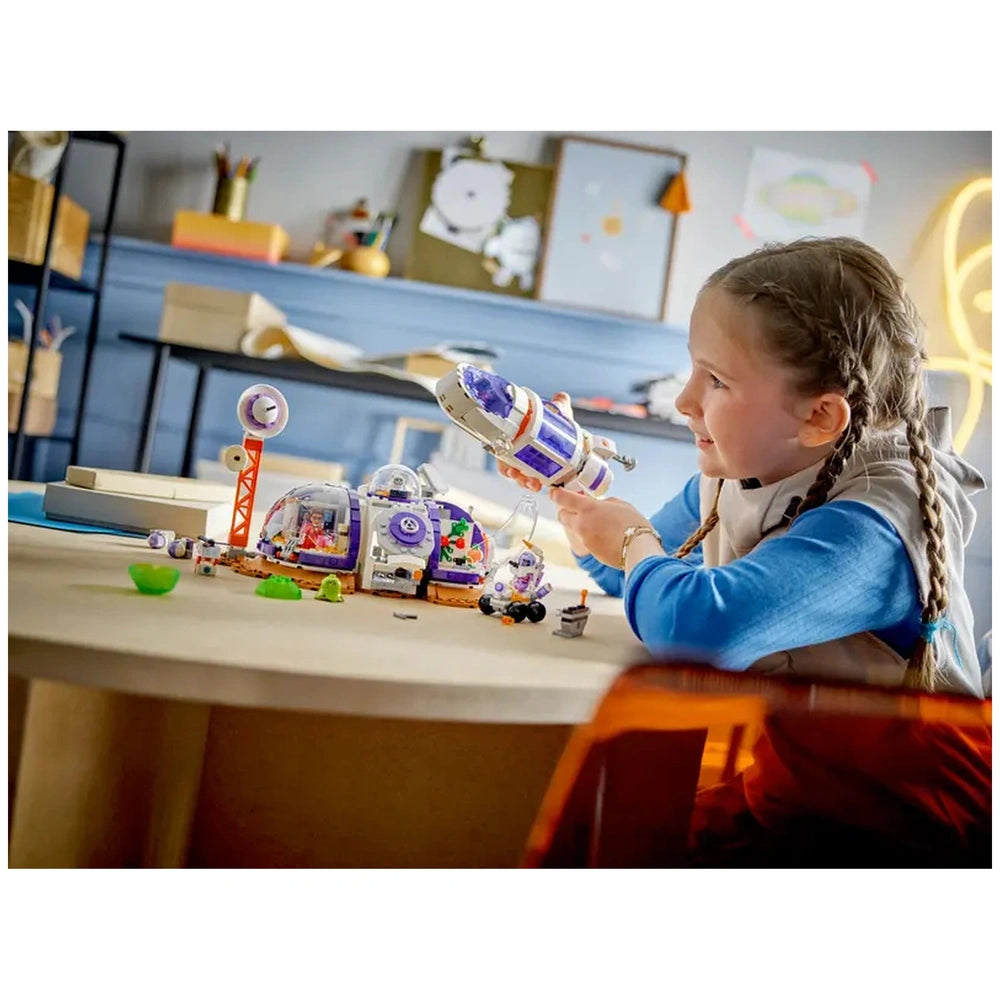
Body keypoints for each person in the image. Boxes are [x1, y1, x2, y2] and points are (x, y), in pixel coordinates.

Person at [502, 236, 986, 699]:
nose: (684, 400)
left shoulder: (878, 530)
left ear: (819, 417)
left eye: (716, 379)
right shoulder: (742, 476)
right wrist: (578, 494)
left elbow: (694, 633)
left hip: (902, 762)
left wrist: (631, 540)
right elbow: (639, 579)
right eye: (693, 369)